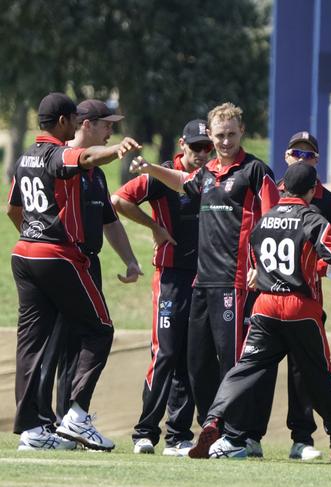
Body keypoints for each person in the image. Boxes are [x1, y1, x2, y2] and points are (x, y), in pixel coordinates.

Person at [127, 102, 279, 458]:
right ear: (210, 136)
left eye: (230, 134)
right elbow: (184, 183)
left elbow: (271, 219)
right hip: (202, 283)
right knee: (196, 363)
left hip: (236, 281)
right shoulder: (208, 171)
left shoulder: (256, 172)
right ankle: (215, 429)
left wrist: (263, 265)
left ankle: (239, 437)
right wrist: (150, 167)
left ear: (242, 132)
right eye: (219, 135)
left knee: (233, 361)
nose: (225, 142)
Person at [188, 162, 331, 462]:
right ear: (312, 190)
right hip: (300, 306)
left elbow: (252, 258)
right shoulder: (313, 217)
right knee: (320, 374)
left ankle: (217, 421)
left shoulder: (265, 218)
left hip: (265, 305)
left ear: (282, 188)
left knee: (245, 369)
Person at [6, 92, 141, 451]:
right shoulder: (55, 153)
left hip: (25, 254)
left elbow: (13, 209)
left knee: (31, 346)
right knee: (100, 330)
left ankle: (33, 431)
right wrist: (117, 152)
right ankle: (76, 417)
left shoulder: (24, 158)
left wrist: (34, 234)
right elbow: (82, 157)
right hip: (59, 256)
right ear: (67, 122)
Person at [112, 119, 211, 456]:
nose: (201, 153)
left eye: (207, 147)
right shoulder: (163, 175)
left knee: (190, 358)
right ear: (182, 143)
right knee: (165, 352)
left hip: (204, 277)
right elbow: (119, 200)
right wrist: (154, 226)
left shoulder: (211, 178)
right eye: (195, 146)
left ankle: (178, 435)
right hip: (170, 276)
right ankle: (144, 432)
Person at [276, 131, 331, 461]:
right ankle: (243, 434)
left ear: (316, 160)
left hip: (306, 297)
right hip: (264, 293)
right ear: (286, 156)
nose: (302, 159)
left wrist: (315, 265)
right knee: (255, 367)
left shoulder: (328, 202)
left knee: (303, 369)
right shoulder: (269, 190)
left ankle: (301, 438)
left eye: (309, 155)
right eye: (296, 153)